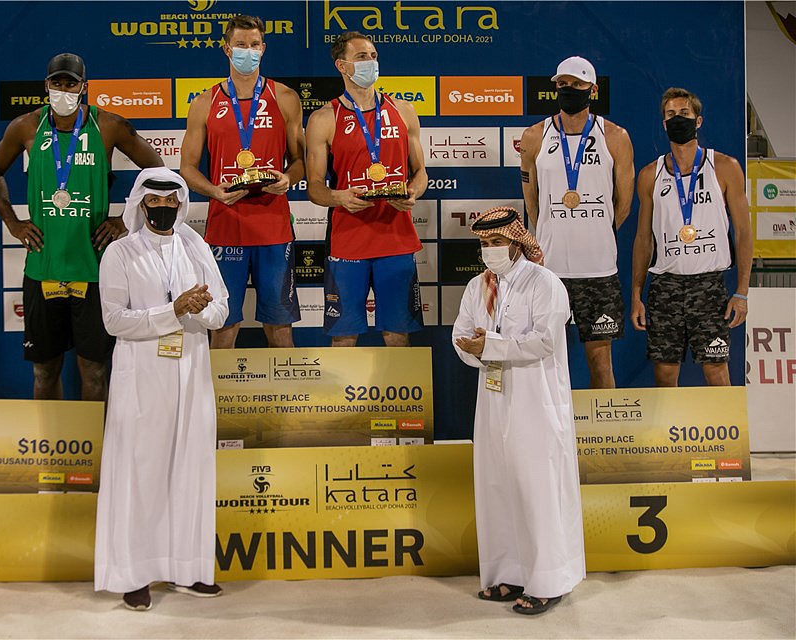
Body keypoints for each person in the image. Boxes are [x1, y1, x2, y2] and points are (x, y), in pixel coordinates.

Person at [0, 53, 163, 400]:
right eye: (57, 83)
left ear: (84, 87)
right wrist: (12, 222)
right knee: (43, 371)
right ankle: (53, 438)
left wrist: (127, 220)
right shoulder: (25, 126)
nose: (63, 90)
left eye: (71, 84)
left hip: (93, 269)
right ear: (46, 85)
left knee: (94, 371)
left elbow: (157, 172)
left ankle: (94, 438)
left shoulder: (108, 125)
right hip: (43, 267)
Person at [94, 167, 228, 610]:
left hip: (191, 372)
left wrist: (200, 309)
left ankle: (188, 570)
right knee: (141, 471)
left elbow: (222, 309)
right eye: (155, 201)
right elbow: (115, 320)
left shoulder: (195, 245)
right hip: (142, 377)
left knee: (191, 468)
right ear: (140, 203)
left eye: (172, 201)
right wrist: (174, 310)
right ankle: (134, 575)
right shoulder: (120, 252)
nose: (164, 208)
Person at [453, 206, 585, 616]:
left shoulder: (544, 283)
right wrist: (475, 348)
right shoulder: (478, 286)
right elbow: (461, 333)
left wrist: (490, 346)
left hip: (535, 399)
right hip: (493, 398)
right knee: (497, 485)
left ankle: (548, 581)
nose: (489, 250)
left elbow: (544, 341)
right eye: (484, 243)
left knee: (536, 487)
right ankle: (508, 573)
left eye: (496, 242)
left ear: (516, 243)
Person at [179, 14, 304, 349]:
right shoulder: (203, 103)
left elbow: (301, 162)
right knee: (223, 326)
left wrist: (287, 178)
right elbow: (187, 168)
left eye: (253, 45)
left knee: (280, 328)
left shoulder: (285, 97)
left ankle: (283, 388)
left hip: (273, 227)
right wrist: (214, 191)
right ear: (226, 49)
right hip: (226, 225)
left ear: (263, 48)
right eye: (240, 45)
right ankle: (216, 388)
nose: (247, 51)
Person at [306, 31, 427, 347]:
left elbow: (421, 174)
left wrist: (412, 192)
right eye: (361, 57)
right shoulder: (323, 118)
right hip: (348, 241)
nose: (370, 62)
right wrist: (339, 197)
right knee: (343, 338)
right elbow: (314, 188)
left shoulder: (403, 110)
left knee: (398, 335)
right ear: (342, 65)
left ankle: (401, 385)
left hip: (396, 239)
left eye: (373, 56)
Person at [519, 55, 634, 389]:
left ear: (593, 90)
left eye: (577, 84)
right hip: (550, 271)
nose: (569, 89)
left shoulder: (615, 136)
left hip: (599, 271)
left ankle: (602, 424)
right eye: (563, 84)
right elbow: (532, 202)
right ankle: (549, 424)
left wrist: (595, 232)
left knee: (601, 364)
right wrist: (552, 232)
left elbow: (623, 205)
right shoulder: (534, 136)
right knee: (544, 362)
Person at [631, 88, 752, 386]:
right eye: (671, 114)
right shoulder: (649, 175)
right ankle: (666, 422)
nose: (677, 119)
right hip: (665, 285)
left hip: (708, 285)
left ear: (698, 120)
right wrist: (636, 294)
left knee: (716, 370)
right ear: (664, 124)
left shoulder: (725, 167)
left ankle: (725, 421)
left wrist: (742, 292)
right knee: (664, 373)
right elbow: (643, 239)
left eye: (684, 113)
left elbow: (743, 232)